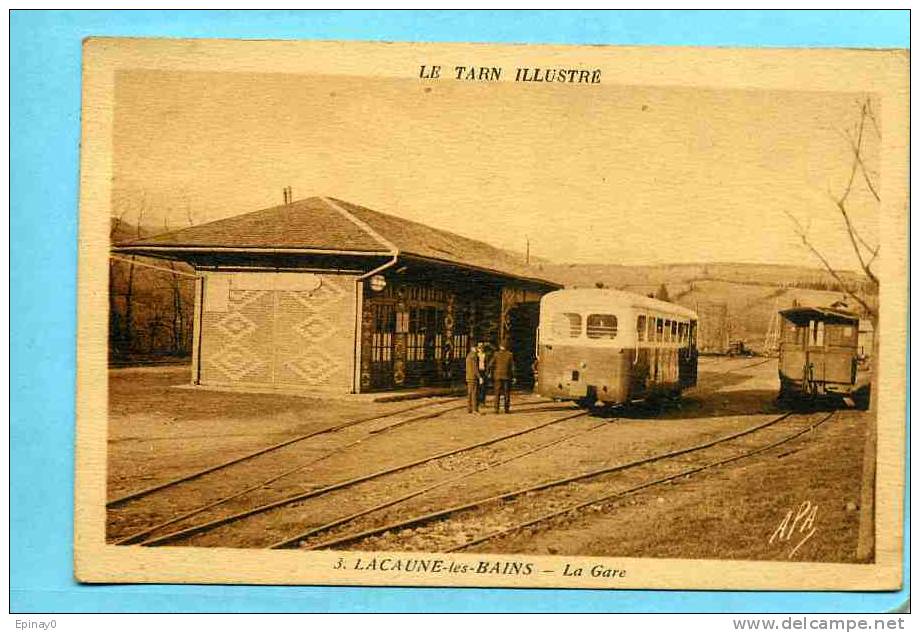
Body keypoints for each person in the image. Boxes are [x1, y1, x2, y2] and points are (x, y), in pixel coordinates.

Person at [490, 343, 515, 413]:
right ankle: (506, 409)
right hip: (507, 376)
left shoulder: (496, 354)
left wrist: (493, 371)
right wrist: (514, 376)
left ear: (500, 347)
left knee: (497, 393)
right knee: (506, 393)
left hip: (497, 376)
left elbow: (491, 364)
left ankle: (496, 409)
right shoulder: (510, 355)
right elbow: (513, 367)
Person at [465, 344, 480, 414]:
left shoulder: (468, 355)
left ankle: (469, 408)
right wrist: (479, 377)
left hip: (469, 376)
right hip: (473, 377)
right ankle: (474, 409)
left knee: (470, 393)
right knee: (474, 393)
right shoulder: (474, 356)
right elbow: (475, 368)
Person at [476, 342, 491, 407]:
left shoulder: (486, 355)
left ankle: (482, 401)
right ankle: (477, 401)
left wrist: (488, 372)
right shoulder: (476, 355)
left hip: (484, 371)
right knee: (477, 387)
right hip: (478, 371)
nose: (480, 349)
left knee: (483, 387)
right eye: (479, 348)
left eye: (481, 348)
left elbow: (488, 365)